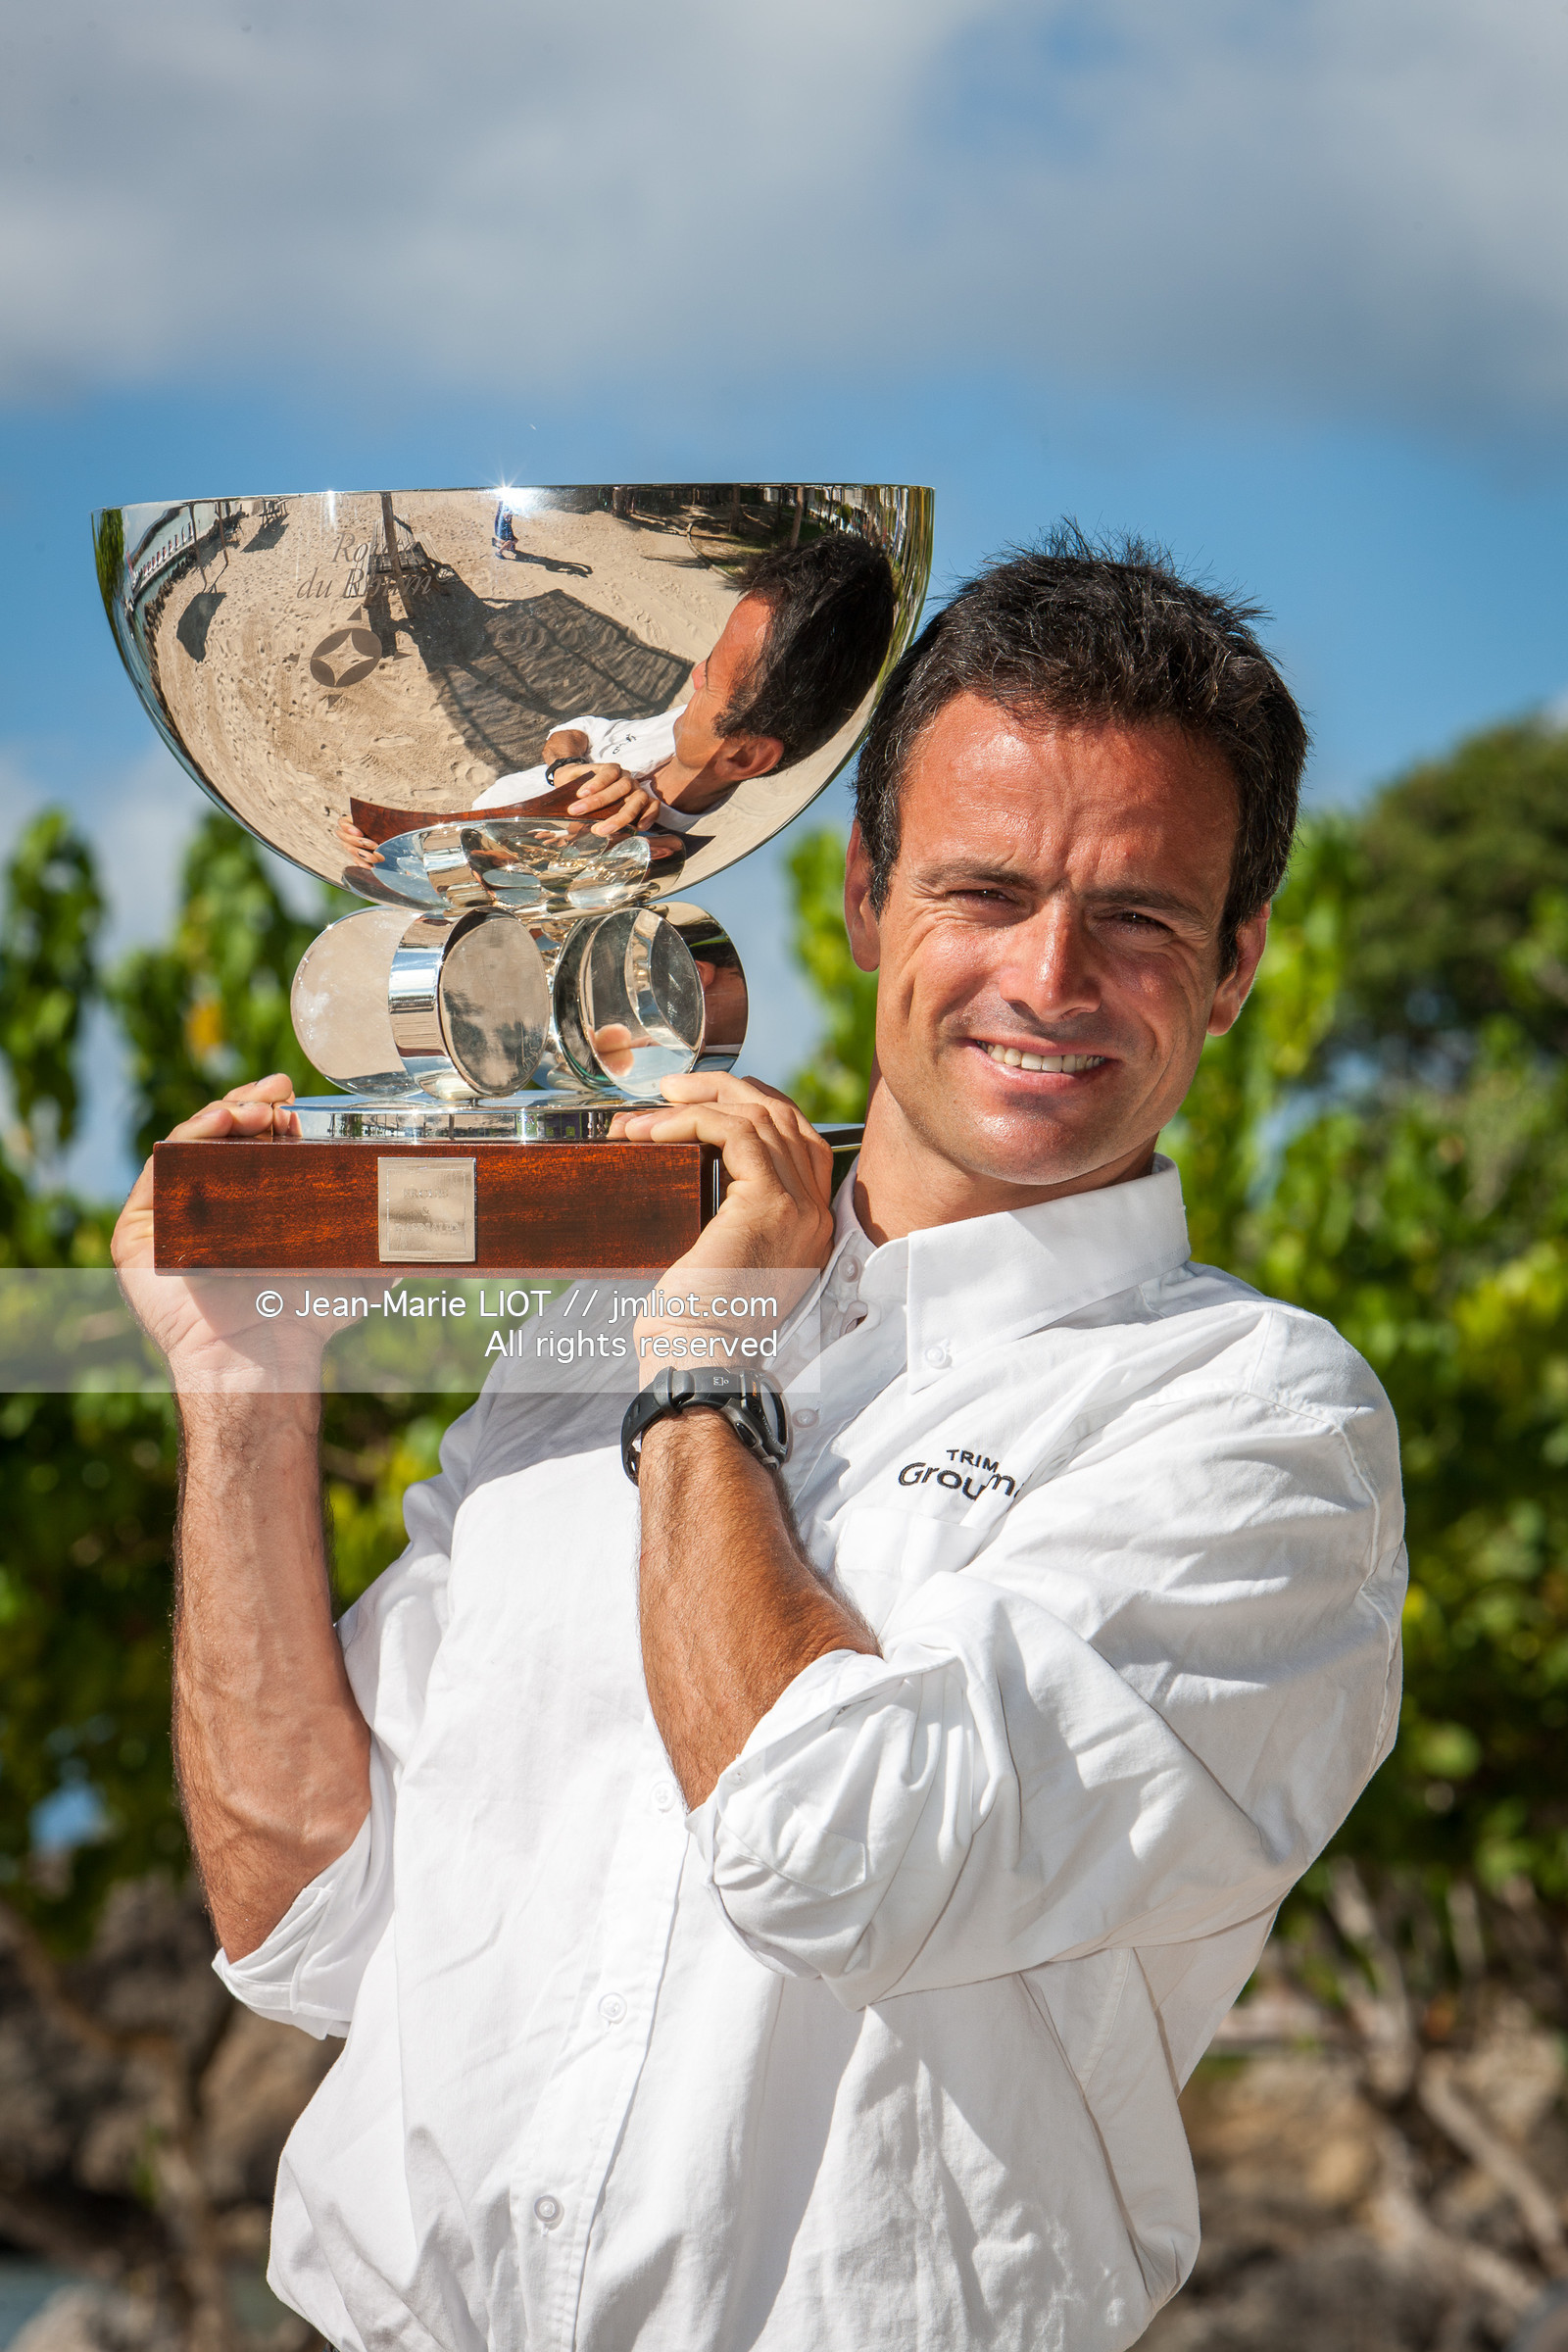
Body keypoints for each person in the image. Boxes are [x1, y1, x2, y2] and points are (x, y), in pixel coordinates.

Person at [115, 531, 1405, 2352]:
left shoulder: (1259, 1425)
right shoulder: (595, 1331)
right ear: (867, 898)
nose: (1049, 976)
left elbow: (834, 1853)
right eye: (984, 889)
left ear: (1238, 961)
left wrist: (706, 1370)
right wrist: (240, 1393)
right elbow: (304, 1921)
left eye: (1137, 916)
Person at [335, 531, 897, 861]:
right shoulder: (680, 731)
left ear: (746, 757)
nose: (695, 673)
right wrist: (573, 768)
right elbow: (571, 732)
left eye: (713, 679)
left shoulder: (651, 847)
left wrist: (398, 849)